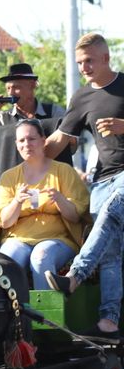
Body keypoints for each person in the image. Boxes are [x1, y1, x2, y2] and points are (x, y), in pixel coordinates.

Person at [42, 33, 124, 336]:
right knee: (112, 251)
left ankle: (74, 277)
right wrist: (31, 149)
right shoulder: (80, 98)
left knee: (108, 215)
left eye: (89, 60)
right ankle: (109, 320)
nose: (84, 67)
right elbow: (58, 141)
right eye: (79, 63)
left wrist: (122, 126)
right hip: (102, 181)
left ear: (105, 58)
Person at [0, 119, 88, 291]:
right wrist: (17, 202)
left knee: (41, 256)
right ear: (16, 144)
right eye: (21, 140)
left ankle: (46, 316)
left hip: (58, 239)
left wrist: (60, 200)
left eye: (31, 139)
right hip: (17, 238)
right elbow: (4, 222)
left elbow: (76, 216)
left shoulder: (63, 171)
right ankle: (10, 313)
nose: (26, 144)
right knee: (8, 256)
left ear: (43, 140)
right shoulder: (9, 177)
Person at [0, 62, 70, 175]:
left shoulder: (54, 113)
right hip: (13, 186)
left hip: (51, 180)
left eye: (16, 87)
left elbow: (72, 142)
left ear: (32, 85)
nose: (11, 93)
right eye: (8, 88)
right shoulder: (0, 119)